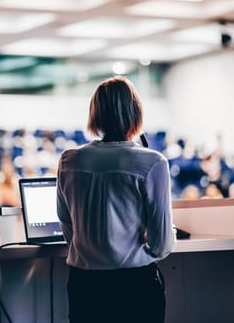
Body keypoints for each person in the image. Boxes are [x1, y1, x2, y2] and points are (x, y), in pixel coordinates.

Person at [56, 76, 175, 323]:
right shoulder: (152, 162)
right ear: (136, 113)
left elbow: (67, 224)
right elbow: (162, 245)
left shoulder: (69, 160)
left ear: (95, 114)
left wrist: (92, 250)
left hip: (84, 283)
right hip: (134, 284)